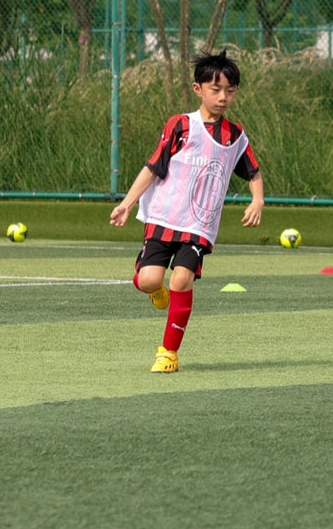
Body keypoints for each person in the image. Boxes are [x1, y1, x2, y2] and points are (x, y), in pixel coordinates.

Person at [109, 50, 264, 373]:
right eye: (215, 89)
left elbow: (253, 172)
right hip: (164, 218)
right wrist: (127, 203)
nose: (223, 97)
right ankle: (156, 291)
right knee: (149, 280)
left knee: (182, 280)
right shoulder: (180, 126)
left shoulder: (235, 136)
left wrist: (257, 200)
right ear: (198, 89)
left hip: (199, 225)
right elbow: (153, 167)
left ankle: (168, 352)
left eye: (230, 91)